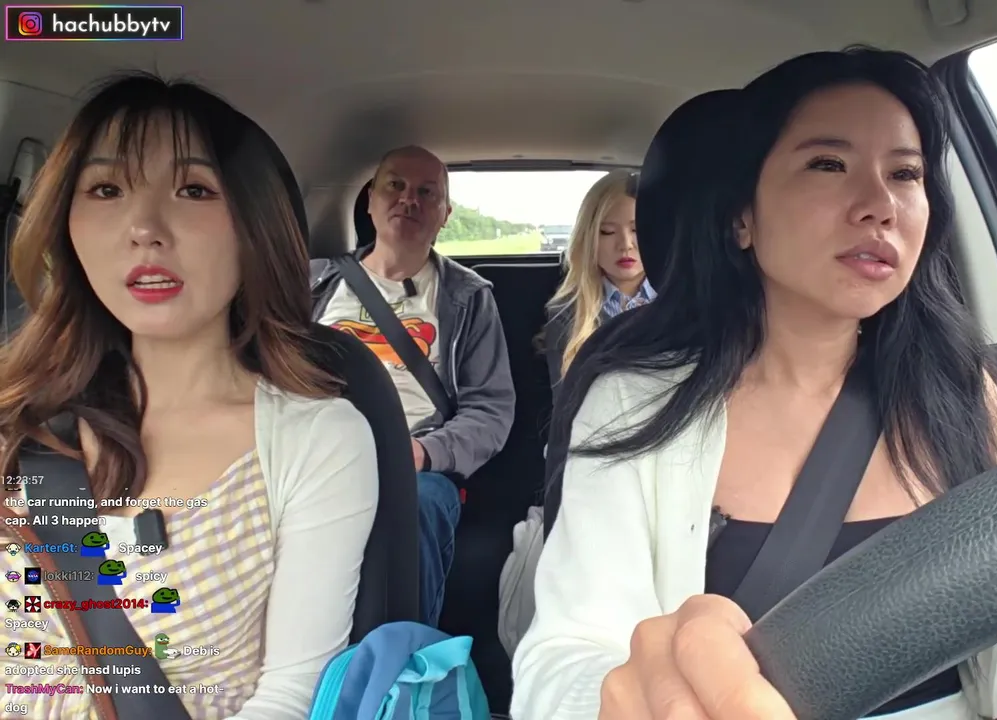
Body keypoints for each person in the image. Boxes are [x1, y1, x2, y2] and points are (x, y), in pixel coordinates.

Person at [510, 47, 997, 720]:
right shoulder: (636, 398)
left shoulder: (960, 395)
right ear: (743, 215)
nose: (879, 204)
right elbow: (570, 659)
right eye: (828, 164)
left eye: (905, 174)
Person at [0, 73, 378, 719]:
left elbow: (289, 698)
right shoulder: (18, 412)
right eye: (107, 189)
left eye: (194, 190)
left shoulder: (315, 439)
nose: (144, 228)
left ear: (255, 225)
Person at [309, 145, 515, 626]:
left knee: (417, 505)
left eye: (427, 192)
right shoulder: (312, 284)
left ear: (445, 214)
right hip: (313, 453)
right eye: (395, 186)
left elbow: (491, 411)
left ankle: (399, 653)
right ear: (369, 200)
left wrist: (422, 453)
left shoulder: (468, 297)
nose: (409, 200)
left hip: (415, 463)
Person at [541, 170, 653, 393]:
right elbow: (565, 403)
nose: (625, 244)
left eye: (637, 229)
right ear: (588, 238)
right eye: (607, 231)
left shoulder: (686, 301)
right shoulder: (567, 314)